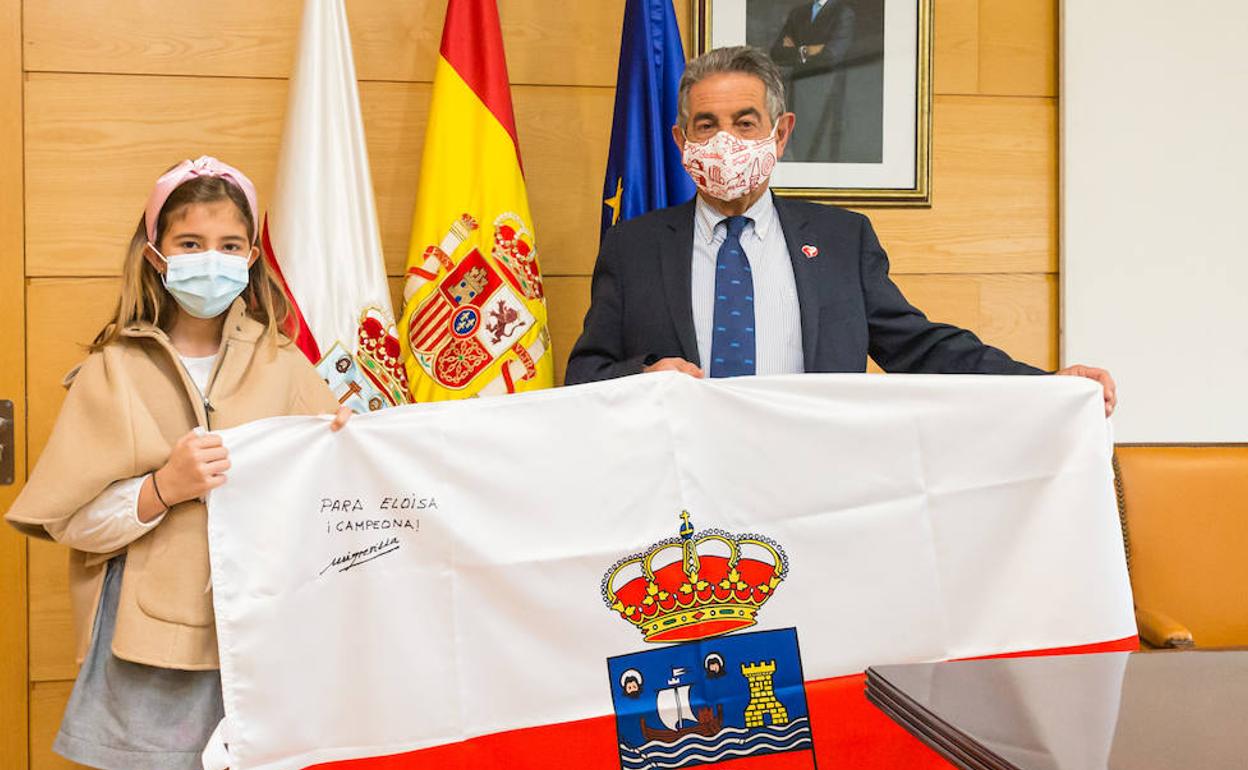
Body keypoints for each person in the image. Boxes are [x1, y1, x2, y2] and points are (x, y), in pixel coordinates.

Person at [3, 156, 351, 770]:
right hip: (150, 648)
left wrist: (345, 445)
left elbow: (337, 501)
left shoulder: (286, 365)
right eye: (190, 243)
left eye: (228, 244)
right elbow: (73, 523)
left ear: (250, 257)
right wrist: (163, 488)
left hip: (267, 635)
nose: (209, 260)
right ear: (156, 254)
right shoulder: (113, 371)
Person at [565, 46, 1117, 416]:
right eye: (706, 125)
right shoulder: (633, 247)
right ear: (681, 142)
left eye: (745, 122)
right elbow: (583, 374)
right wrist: (647, 376)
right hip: (682, 490)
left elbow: (922, 349)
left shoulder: (842, 240)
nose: (724, 140)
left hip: (815, 486)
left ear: (780, 135)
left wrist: (1047, 387)